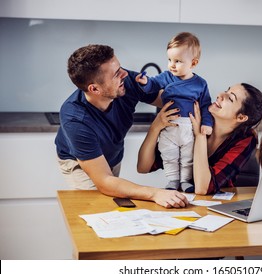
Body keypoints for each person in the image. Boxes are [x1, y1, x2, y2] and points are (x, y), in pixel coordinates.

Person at [55, 44, 188, 208]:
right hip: (79, 163)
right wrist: (156, 193)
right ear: (94, 88)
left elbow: (171, 101)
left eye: (120, 68)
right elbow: (104, 180)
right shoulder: (76, 120)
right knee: (98, 210)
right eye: (116, 74)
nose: (125, 74)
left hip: (112, 154)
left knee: (115, 206)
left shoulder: (125, 82)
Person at [137, 83, 262, 195]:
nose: (220, 95)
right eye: (226, 90)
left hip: (219, 206)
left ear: (241, 117)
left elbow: (202, 188)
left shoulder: (246, 139)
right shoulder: (192, 115)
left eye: (230, 98)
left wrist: (200, 135)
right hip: (183, 201)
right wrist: (155, 128)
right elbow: (144, 167)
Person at [136, 32, 213, 193]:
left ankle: (185, 180)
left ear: (193, 63)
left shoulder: (200, 84)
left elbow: (205, 106)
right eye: (170, 60)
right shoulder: (167, 77)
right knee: (168, 154)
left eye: (178, 61)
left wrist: (206, 123)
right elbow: (153, 84)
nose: (172, 65)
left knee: (187, 156)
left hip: (188, 128)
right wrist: (145, 82)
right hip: (169, 126)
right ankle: (173, 179)